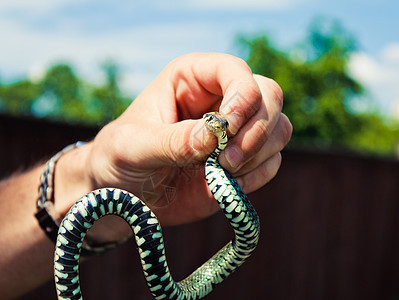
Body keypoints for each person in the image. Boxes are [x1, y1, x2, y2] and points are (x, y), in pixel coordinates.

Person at [0, 53, 292, 299]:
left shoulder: (216, 163)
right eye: (208, 119)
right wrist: (89, 176)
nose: (210, 121)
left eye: (216, 120)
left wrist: (85, 180)